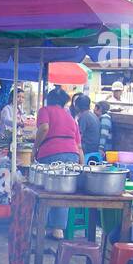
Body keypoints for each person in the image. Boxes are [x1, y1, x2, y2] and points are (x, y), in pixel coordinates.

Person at [34, 86, 84, 240]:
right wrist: (81, 165)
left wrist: (34, 148)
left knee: (45, 189)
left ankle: (39, 227)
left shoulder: (45, 110)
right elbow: (79, 146)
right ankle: (58, 229)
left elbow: (44, 128)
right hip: (72, 155)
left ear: (49, 99)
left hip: (50, 153)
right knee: (64, 191)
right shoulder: (70, 117)